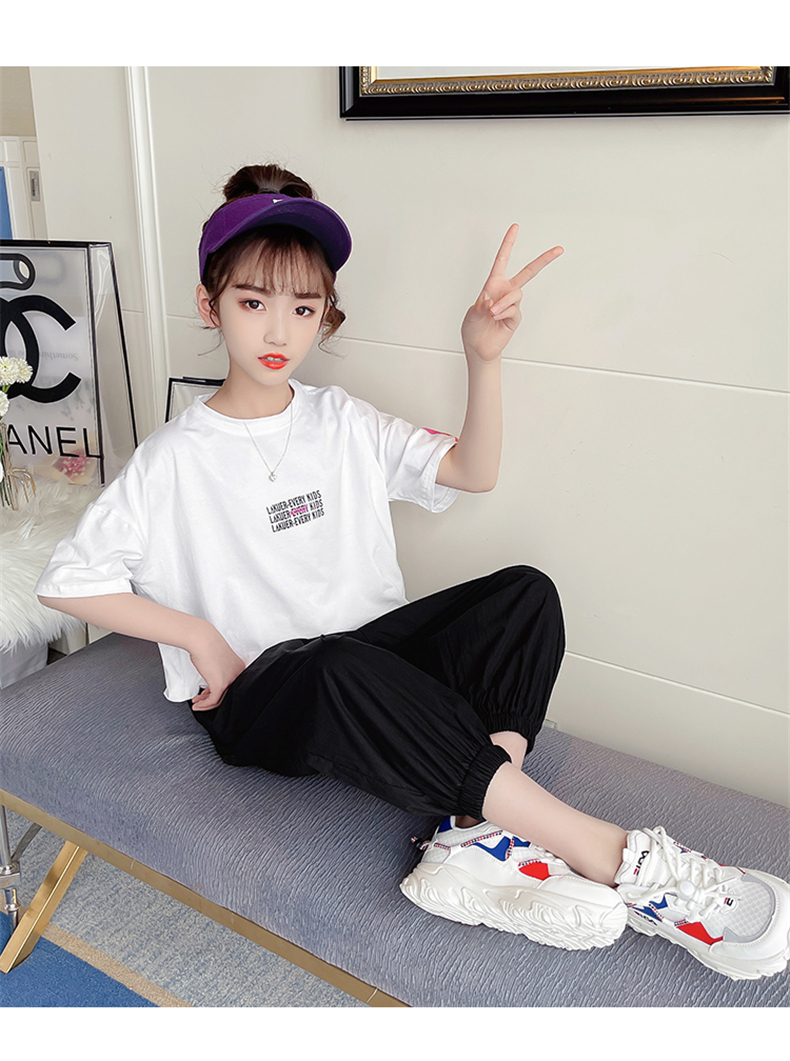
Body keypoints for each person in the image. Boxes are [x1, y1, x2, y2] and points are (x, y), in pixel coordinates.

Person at [36, 163, 789, 981]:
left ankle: (473, 831)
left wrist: (482, 358)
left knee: (525, 596)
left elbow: (472, 470)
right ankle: (620, 859)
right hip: (266, 697)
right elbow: (66, 581)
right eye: (253, 303)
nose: (278, 329)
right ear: (209, 304)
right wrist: (198, 636)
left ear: (325, 314)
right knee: (332, 661)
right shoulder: (173, 458)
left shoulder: (340, 420)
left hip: (365, 660)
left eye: (303, 307)